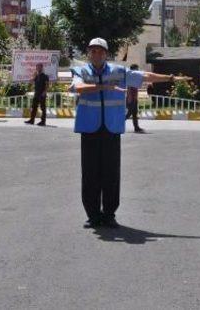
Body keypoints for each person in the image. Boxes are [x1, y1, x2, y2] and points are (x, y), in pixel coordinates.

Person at [70, 37, 189, 229]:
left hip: (111, 129)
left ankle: (109, 214)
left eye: (100, 51)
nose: (96, 54)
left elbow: (143, 76)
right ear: (88, 53)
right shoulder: (81, 71)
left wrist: (170, 78)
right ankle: (93, 215)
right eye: (92, 51)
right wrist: (103, 87)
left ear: (106, 54)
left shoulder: (119, 71)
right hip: (89, 129)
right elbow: (77, 87)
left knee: (111, 174)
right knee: (90, 174)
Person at [125, 64, 144, 133]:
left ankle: (136, 127)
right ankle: (118, 123)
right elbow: (129, 88)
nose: (138, 70)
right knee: (129, 113)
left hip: (134, 99)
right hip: (131, 98)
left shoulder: (135, 76)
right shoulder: (131, 76)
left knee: (134, 114)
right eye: (137, 69)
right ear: (134, 69)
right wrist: (130, 99)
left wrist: (136, 99)